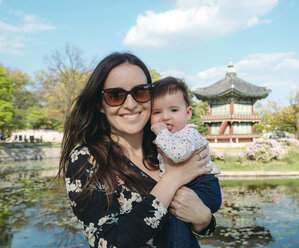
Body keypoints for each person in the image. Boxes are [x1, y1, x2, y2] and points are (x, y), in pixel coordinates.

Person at [58, 52, 216, 248]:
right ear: (100, 104)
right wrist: (173, 178)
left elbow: (199, 218)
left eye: (140, 92)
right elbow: (108, 242)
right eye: (115, 96)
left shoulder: (165, 146)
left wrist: (204, 219)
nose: (131, 104)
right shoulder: (87, 159)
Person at [150, 77, 221, 248]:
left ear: (188, 113)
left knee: (175, 218)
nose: (165, 117)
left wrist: (161, 133)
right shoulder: (169, 137)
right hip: (192, 186)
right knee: (173, 222)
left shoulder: (188, 134)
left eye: (173, 110)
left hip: (204, 186)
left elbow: (178, 154)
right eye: (157, 112)